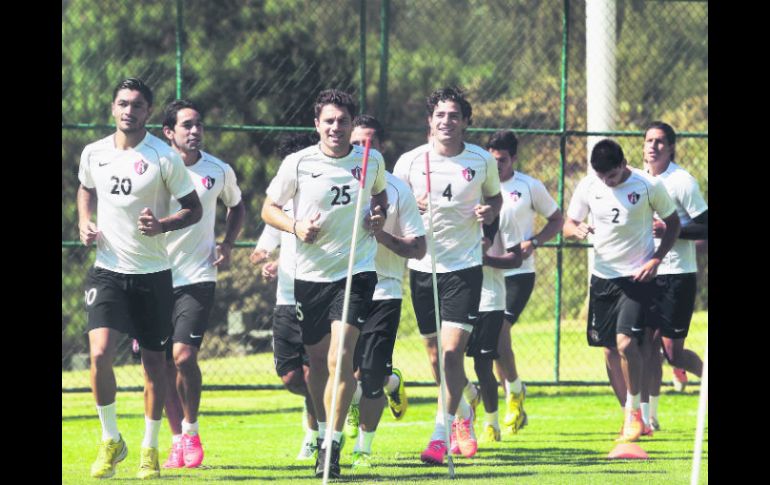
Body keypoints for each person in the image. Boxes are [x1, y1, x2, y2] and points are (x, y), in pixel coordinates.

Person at [77, 78, 202, 479]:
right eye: (122, 103)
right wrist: (84, 222)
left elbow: (193, 210)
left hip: (153, 275)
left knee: (154, 366)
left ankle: (149, 448)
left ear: (148, 112)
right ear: (113, 108)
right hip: (108, 270)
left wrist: (161, 225)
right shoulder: (94, 153)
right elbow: (85, 189)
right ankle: (111, 439)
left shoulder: (164, 157)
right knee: (99, 353)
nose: (128, 110)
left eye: (137, 105)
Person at [261, 89, 388, 479]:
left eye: (343, 121)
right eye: (329, 121)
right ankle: (318, 433)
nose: (336, 127)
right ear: (317, 124)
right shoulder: (298, 164)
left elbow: (380, 198)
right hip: (309, 275)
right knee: (315, 364)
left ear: (352, 125)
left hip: (355, 269)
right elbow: (269, 209)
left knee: (340, 358)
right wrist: (297, 227)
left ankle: (332, 445)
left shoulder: (370, 159)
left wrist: (378, 217)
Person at [392, 86, 502, 464]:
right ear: (430, 121)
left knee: (453, 353)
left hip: (465, 266)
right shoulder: (408, 162)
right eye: (440, 115)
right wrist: (410, 204)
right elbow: (391, 205)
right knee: (437, 359)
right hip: (423, 267)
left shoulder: (482, 160)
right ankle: (465, 407)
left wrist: (489, 213)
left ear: (466, 121)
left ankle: (440, 435)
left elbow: (495, 198)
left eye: (454, 115)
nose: (447, 121)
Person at [562, 138, 680, 443]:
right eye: (601, 177)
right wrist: (576, 230)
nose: (606, 182)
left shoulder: (648, 186)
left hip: (636, 278)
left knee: (627, 343)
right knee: (610, 351)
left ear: (623, 164)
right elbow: (568, 223)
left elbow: (673, 223)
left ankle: (634, 412)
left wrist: (656, 259)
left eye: (611, 176)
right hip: (603, 279)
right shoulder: (589, 185)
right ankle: (630, 415)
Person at [159, 99, 245, 469]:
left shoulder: (219, 170)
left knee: (183, 357)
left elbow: (237, 206)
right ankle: (177, 439)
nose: (195, 132)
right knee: (159, 364)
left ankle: (192, 429)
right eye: (186, 126)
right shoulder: (154, 167)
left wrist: (226, 243)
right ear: (169, 133)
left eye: (199, 125)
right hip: (153, 275)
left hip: (197, 276)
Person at [343, 115, 426, 468]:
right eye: (357, 143)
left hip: (384, 292)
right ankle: (388, 385)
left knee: (370, 376)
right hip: (341, 290)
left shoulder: (397, 189)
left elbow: (418, 248)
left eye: (370, 144)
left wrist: (381, 236)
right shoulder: (336, 181)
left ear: (380, 148)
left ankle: (364, 447)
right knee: (341, 371)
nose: (364, 151)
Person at [485, 130, 564, 435]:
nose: (497, 167)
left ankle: (515, 392)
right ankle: (513, 395)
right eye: (492, 161)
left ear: (514, 159)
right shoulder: (480, 185)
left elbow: (557, 219)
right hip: (489, 271)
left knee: (500, 329)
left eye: (502, 160)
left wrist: (535, 241)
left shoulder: (529, 186)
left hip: (519, 272)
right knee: (491, 342)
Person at [250, 131, 321, 461]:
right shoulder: (280, 207)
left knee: (313, 372)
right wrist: (266, 257)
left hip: (317, 296)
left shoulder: (321, 201)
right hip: (286, 301)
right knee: (291, 377)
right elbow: (269, 239)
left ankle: (314, 433)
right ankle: (326, 406)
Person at [639, 122, 708, 430]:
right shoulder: (635, 180)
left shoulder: (682, 182)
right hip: (644, 272)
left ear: (671, 147)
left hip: (678, 273)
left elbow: (705, 225)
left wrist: (670, 230)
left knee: (672, 353)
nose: (653, 146)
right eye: (649, 140)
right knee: (646, 344)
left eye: (660, 141)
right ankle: (648, 417)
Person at [469, 214, 523, 444]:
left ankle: (491, 424)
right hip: (454, 299)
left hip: (489, 301)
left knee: (483, 367)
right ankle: (470, 395)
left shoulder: (505, 214)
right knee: (444, 360)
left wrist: (486, 260)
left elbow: (516, 258)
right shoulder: (453, 207)